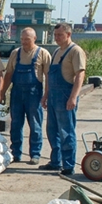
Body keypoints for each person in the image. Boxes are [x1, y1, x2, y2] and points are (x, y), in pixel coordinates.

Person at [39, 23, 86, 176]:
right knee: (52, 131)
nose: (56, 38)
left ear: (68, 34)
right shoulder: (57, 51)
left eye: (60, 35)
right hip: (53, 96)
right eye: (55, 35)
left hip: (66, 96)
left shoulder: (75, 51)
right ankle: (55, 161)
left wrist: (74, 97)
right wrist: (46, 95)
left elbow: (80, 75)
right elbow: (49, 76)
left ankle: (68, 165)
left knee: (66, 131)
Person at [0, 27, 51, 164]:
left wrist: (46, 94)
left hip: (34, 94)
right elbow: (9, 74)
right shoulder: (15, 53)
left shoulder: (43, 53)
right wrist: (2, 92)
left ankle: (35, 154)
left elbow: (48, 76)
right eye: (22, 39)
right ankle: (16, 153)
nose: (24, 42)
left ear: (34, 39)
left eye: (27, 39)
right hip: (16, 93)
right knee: (15, 124)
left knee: (35, 125)